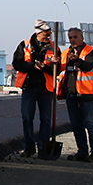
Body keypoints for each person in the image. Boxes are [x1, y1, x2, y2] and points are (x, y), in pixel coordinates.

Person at [13, 20, 58, 157]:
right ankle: (29, 147)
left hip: (46, 89)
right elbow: (17, 63)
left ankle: (43, 148)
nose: (48, 37)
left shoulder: (54, 47)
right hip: (29, 87)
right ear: (38, 33)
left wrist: (51, 65)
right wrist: (33, 66)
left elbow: (58, 69)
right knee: (27, 117)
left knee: (46, 119)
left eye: (50, 35)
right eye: (46, 35)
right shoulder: (24, 45)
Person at [60, 26, 93, 163]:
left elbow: (87, 66)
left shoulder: (91, 52)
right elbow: (59, 68)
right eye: (70, 38)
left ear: (82, 38)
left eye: (75, 37)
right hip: (71, 94)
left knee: (90, 123)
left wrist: (76, 60)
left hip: (87, 94)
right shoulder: (66, 53)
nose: (72, 40)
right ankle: (82, 151)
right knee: (76, 125)